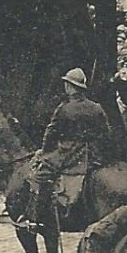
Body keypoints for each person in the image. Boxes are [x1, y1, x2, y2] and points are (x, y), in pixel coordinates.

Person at [29, 68, 111, 226]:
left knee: (40, 175)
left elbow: (51, 133)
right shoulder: (96, 107)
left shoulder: (64, 108)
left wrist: (44, 152)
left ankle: (37, 219)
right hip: (91, 155)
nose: (65, 87)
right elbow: (106, 134)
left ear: (70, 87)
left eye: (66, 84)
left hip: (68, 154)